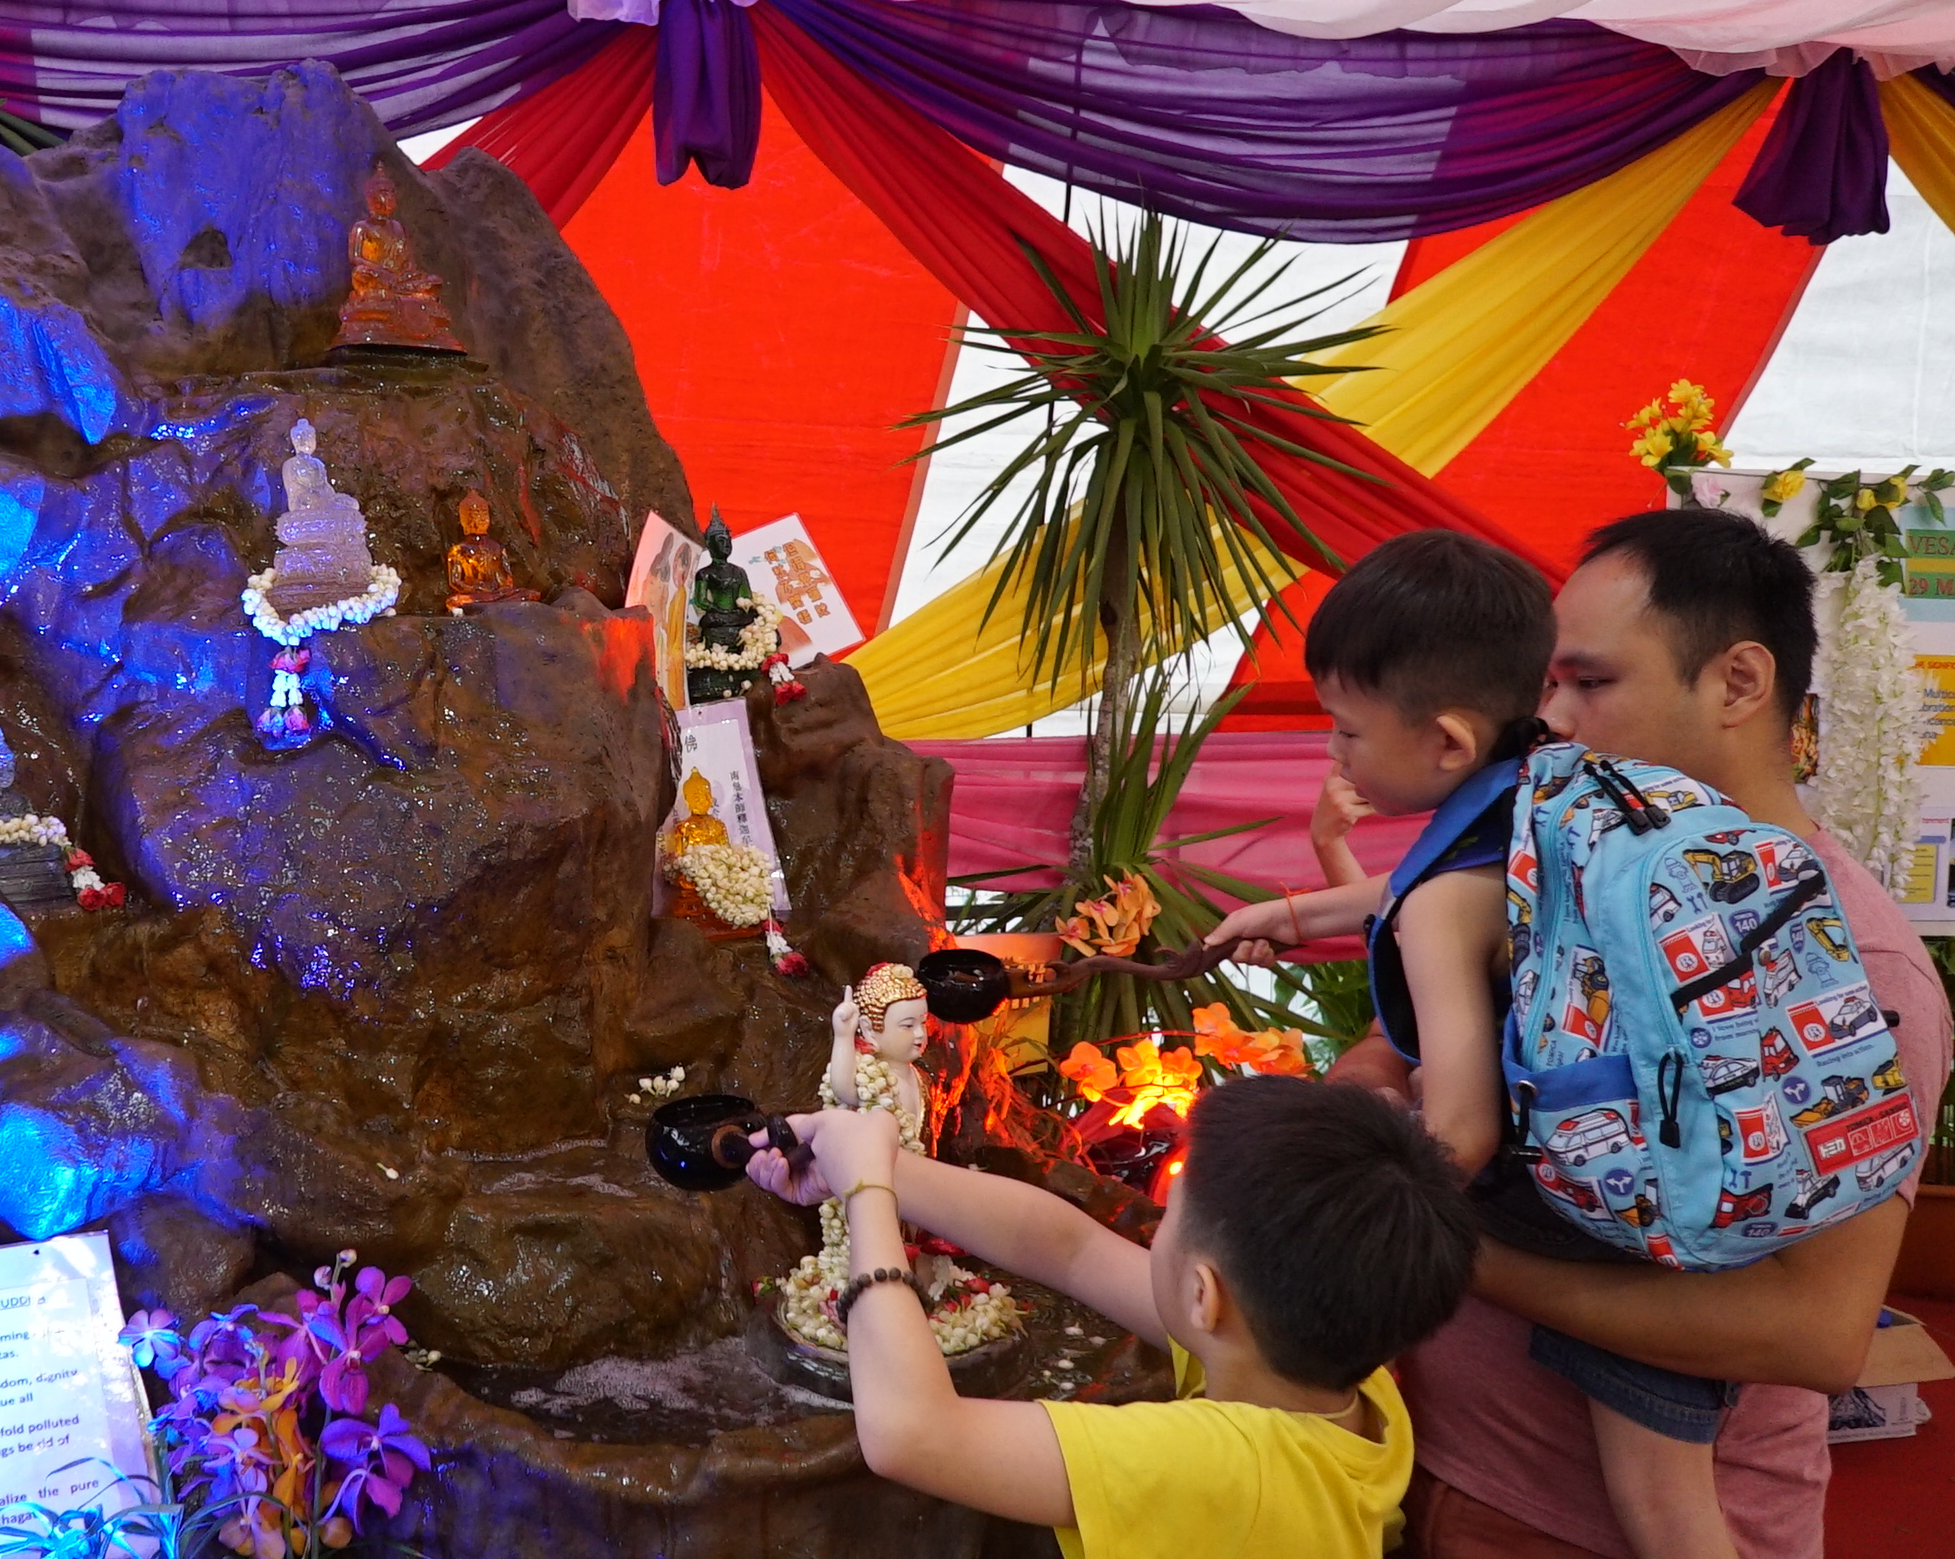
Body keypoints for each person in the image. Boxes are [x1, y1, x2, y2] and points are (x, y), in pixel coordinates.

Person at [1360, 508, 1953, 1559]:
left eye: (1589, 684)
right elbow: (1397, 1049)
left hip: (1581, 1529)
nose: (1548, 720)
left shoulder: (1851, 964)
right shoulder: (1567, 856)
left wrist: (1431, 1246)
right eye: (1546, 683)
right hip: (1423, 1460)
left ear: (1733, 684)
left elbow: (1810, 1329)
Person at [1206, 528, 1747, 1559]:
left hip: (1628, 1230)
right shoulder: (1554, 783)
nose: (1333, 755)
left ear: (1447, 743)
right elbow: (1445, 887)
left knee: (1668, 1517)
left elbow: (1457, 1129)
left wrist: (1335, 1196)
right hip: (1685, 1142)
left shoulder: (1438, 914)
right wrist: (1299, 915)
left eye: (1345, 732)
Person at [744, 1075, 1477, 1558]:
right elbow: (1069, 1249)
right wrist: (865, 1173)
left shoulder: (1229, 1468)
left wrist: (869, 1195)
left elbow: (912, 1432)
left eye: (1166, 1221)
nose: (1150, 1232)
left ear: (1203, 1297)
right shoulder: (1338, 1375)